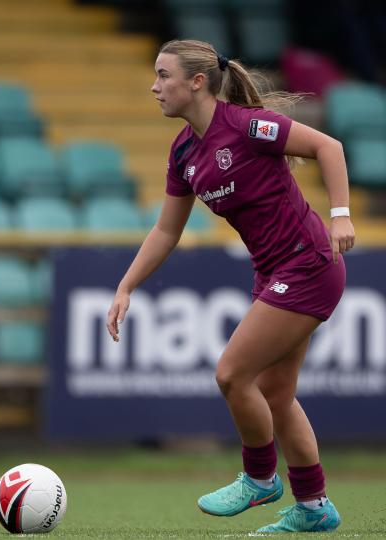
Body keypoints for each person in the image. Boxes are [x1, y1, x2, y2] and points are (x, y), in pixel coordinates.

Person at [106, 39, 355, 534]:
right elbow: (166, 231)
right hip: (274, 272)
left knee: (231, 374)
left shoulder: (246, 126)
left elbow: (328, 146)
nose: (155, 87)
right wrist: (126, 286)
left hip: (308, 264)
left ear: (197, 82)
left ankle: (259, 477)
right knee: (275, 395)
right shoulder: (183, 152)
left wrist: (341, 215)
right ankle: (314, 506)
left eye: (163, 75)